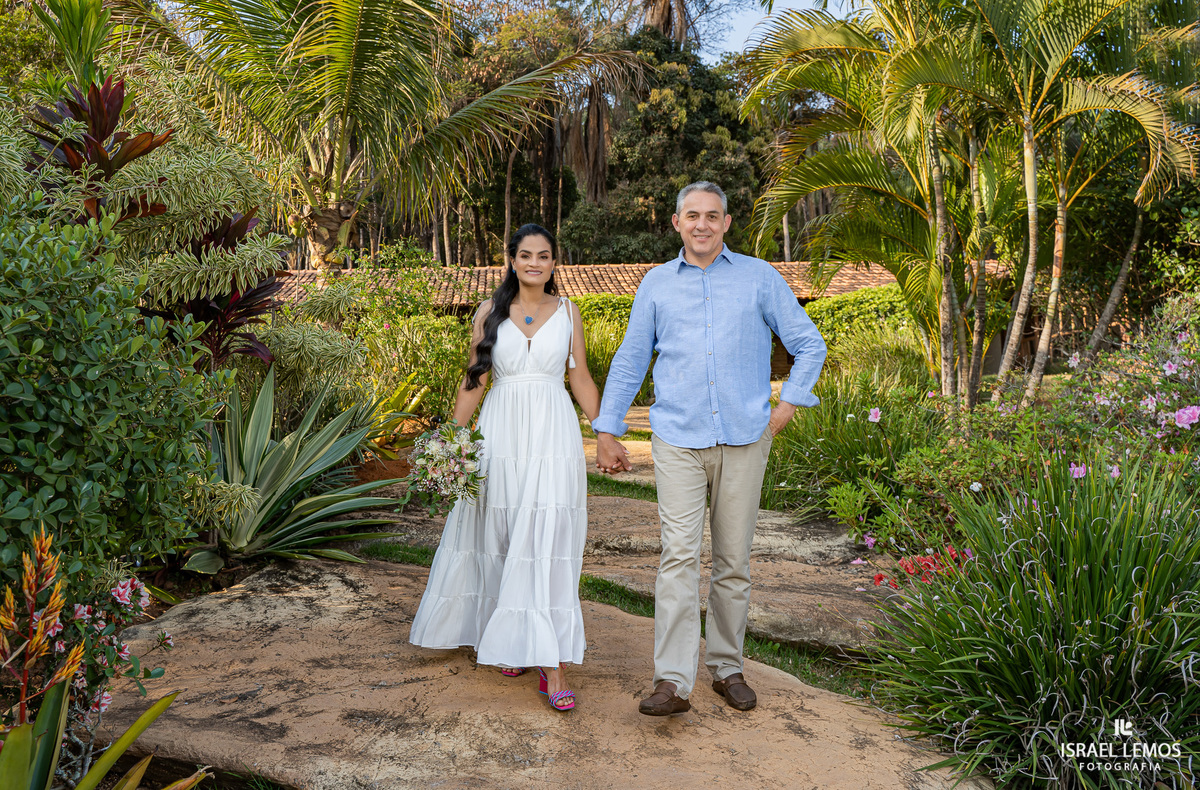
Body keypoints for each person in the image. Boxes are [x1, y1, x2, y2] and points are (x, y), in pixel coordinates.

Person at [592, 182, 827, 716]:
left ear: (726, 222)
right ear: (676, 223)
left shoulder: (760, 278)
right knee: (677, 556)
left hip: (746, 438)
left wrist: (786, 405)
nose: (702, 224)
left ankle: (727, 669)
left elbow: (809, 343)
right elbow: (631, 360)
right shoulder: (655, 285)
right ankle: (671, 682)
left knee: (732, 560)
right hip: (678, 439)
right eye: (692, 215)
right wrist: (607, 428)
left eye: (712, 216)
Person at [409, 223, 601, 712]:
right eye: (525, 255)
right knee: (499, 531)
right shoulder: (489, 313)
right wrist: (451, 440)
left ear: (554, 263)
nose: (535, 263)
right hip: (501, 432)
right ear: (512, 261)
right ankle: (510, 637)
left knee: (547, 532)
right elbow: (474, 381)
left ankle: (550, 661)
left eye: (544, 255)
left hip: (553, 432)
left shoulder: (570, 313)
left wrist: (605, 432)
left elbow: (579, 377)